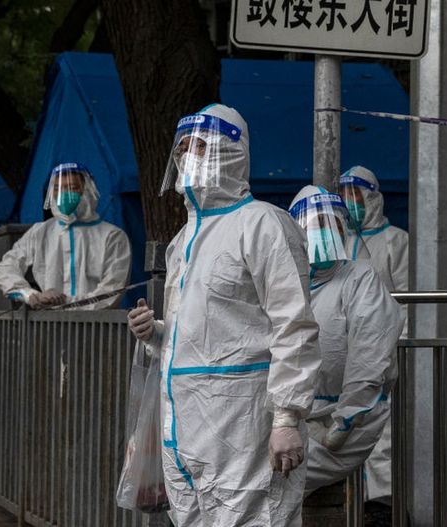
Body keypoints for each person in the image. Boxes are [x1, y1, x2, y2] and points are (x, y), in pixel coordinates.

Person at [125, 104, 321, 526]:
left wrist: (287, 417)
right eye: (182, 149)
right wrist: (156, 333)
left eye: (199, 147)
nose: (187, 157)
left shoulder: (264, 224)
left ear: (230, 152)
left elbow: (294, 325)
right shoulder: (183, 240)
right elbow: (208, 330)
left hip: (243, 425)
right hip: (185, 427)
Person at [287, 186, 404, 495]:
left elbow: (369, 355)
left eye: (333, 225)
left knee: (271, 479)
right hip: (298, 416)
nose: (325, 232)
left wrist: (346, 419)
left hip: (349, 419)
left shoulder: (361, 277)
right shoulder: (288, 282)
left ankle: (381, 504)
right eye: (316, 225)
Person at [339, 166, 409, 505]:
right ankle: (352, 503)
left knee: (383, 433)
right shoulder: (339, 241)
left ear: (372, 198)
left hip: (383, 354)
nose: (349, 202)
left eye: (355, 195)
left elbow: (409, 300)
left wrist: (396, 348)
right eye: (343, 196)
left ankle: (383, 504)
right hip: (345, 354)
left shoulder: (396, 240)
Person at [0, 162, 131, 310]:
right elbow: (6, 268)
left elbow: (112, 291)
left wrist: (65, 301)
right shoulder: (39, 233)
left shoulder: (112, 236)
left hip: (96, 322)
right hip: (50, 321)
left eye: (72, 188)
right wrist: (30, 295)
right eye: (58, 189)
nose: (64, 194)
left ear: (87, 190)